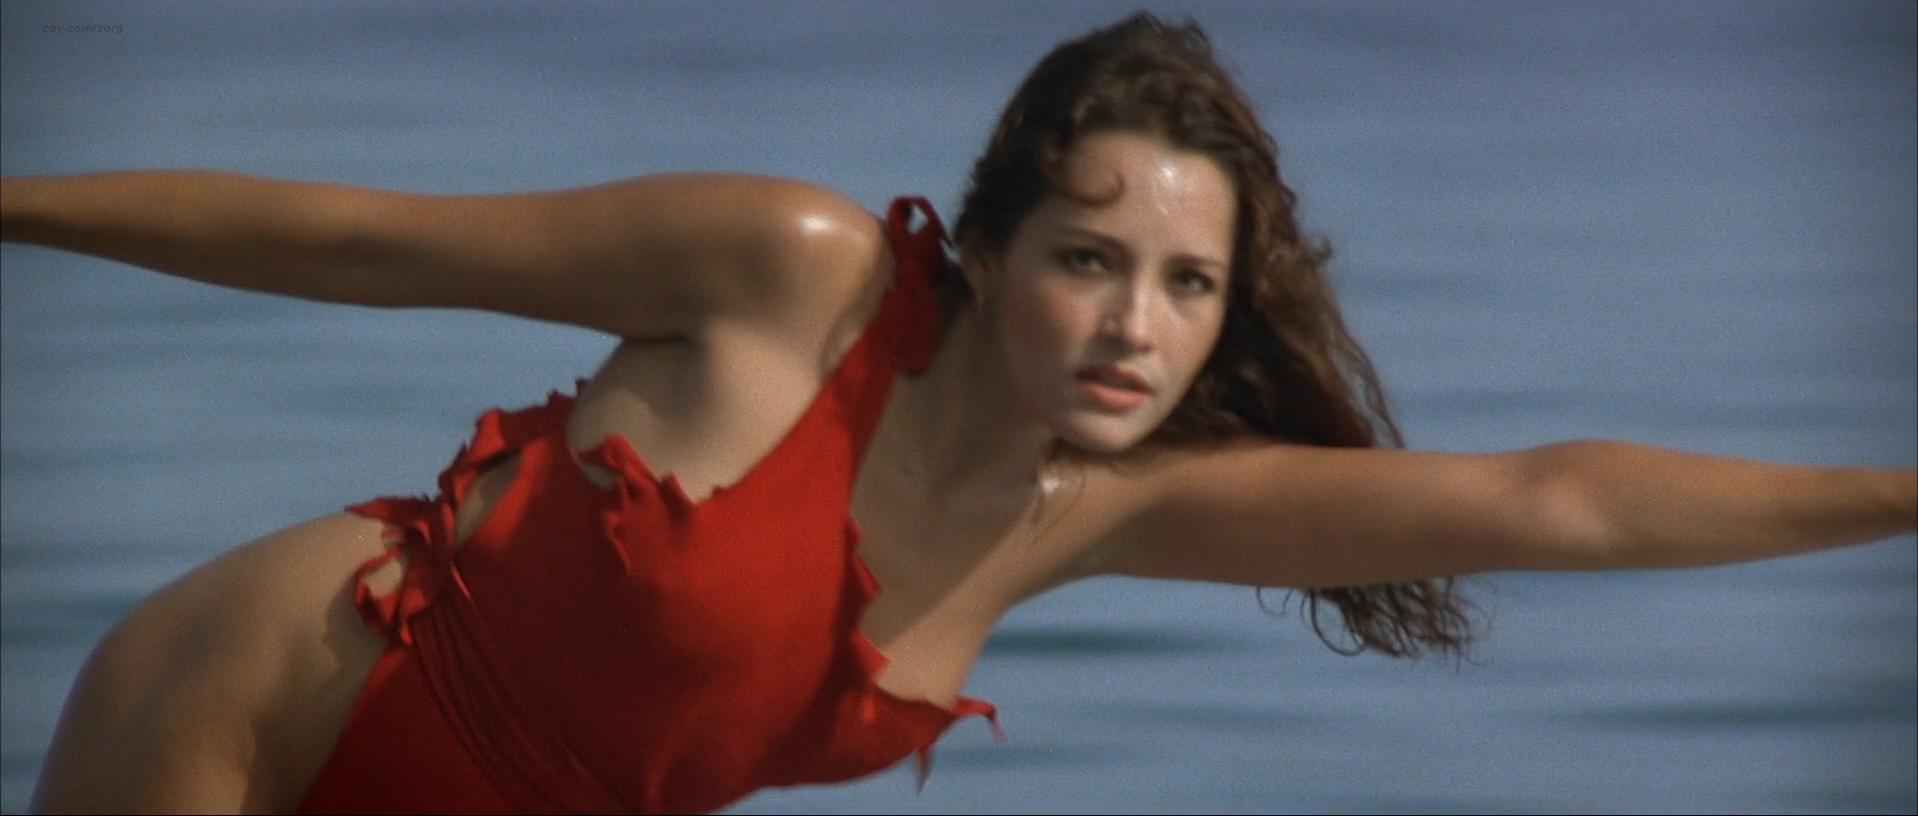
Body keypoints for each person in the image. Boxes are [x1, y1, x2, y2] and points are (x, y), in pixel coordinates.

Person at [2, 11, 1912, 814]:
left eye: (1187, 285)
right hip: (243, 712)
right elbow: (358, 241)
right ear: (986, 245)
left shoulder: (1105, 515)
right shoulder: (795, 278)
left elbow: (1551, 503)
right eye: (1088, 258)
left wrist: (1897, 493)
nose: (1135, 325)